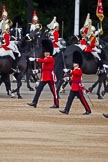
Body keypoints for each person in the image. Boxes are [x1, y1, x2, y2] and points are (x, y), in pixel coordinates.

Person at [27, 39, 59, 108]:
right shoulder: (45, 58)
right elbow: (44, 69)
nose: (46, 53)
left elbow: (45, 61)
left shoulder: (50, 58)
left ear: (50, 53)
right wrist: (38, 71)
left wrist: (35, 59)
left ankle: (56, 103)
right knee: (38, 90)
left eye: (47, 52)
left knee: (53, 91)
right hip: (44, 77)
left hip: (50, 77)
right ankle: (34, 102)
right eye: (45, 52)